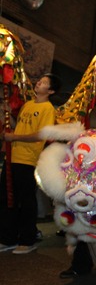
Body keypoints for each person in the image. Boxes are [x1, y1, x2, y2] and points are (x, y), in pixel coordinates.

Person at [0, 73, 61, 254]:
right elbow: (18, 126)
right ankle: (7, 237)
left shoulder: (48, 109)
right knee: (6, 199)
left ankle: (27, 240)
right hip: (12, 157)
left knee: (26, 201)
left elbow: (41, 135)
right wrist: (6, 116)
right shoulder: (27, 105)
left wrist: (14, 137)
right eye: (39, 81)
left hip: (28, 161)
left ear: (50, 91)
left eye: (43, 83)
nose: (39, 83)